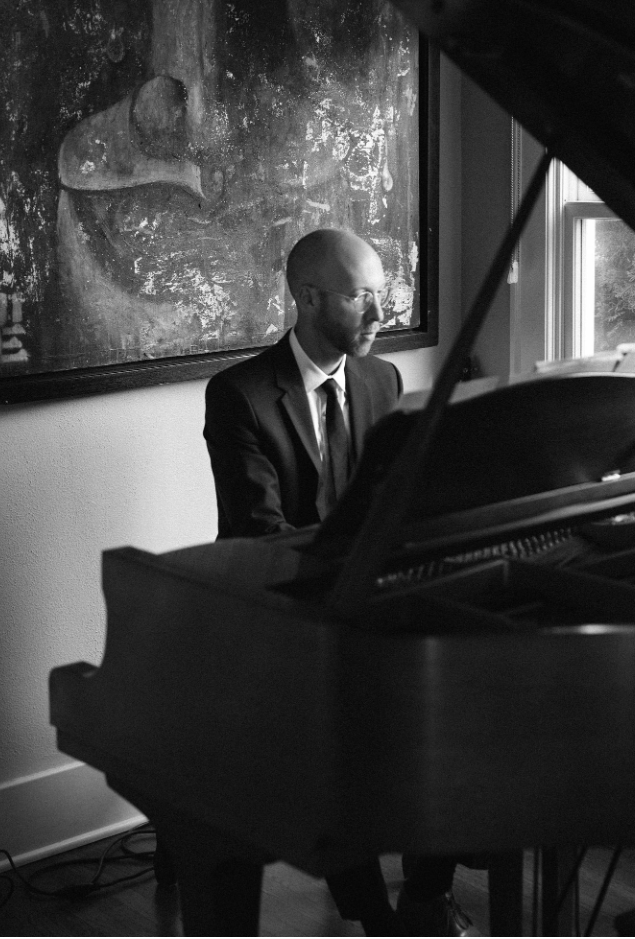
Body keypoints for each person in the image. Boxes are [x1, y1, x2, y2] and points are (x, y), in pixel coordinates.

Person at [204, 229, 480, 937]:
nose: (380, 315)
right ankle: (371, 913)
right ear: (308, 298)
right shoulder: (239, 394)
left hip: (367, 596)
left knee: (457, 704)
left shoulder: (382, 380)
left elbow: (396, 502)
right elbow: (261, 532)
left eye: (381, 295)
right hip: (277, 605)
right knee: (338, 733)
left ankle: (426, 893)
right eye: (361, 297)